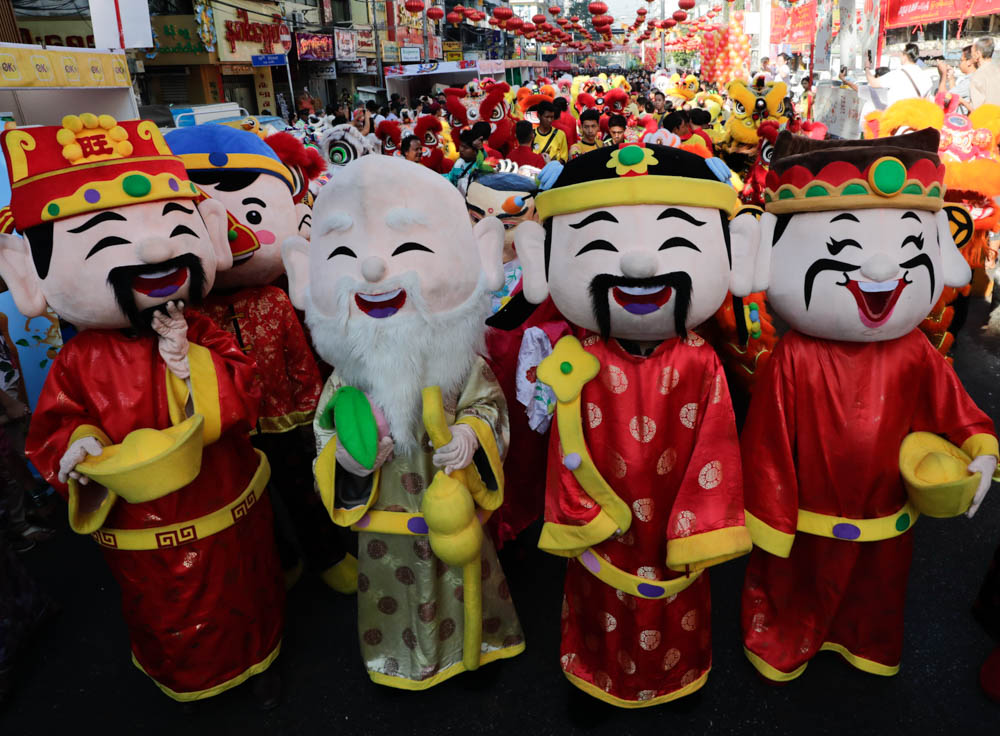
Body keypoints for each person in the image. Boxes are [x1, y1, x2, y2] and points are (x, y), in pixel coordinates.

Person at [0, 114, 284, 706]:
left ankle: (257, 653)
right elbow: (58, 421)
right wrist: (77, 445)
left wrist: (191, 363)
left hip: (224, 500)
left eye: (176, 228)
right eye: (108, 241)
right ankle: (186, 675)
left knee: (245, 589)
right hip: (143, 529)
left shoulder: (203, 326)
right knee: (167, 611)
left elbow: (245, 396)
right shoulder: (81, 356)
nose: (158, 249)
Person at [741, 129, 997, 683]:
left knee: (876, 589)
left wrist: (979, 448)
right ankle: (791, 636)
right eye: (842, 247)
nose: (881, 270)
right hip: (809, 515)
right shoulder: (794, 357)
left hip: (885, 509)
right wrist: (770, 518)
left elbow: (957, 410)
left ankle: (864, 644)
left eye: (909, 247)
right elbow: (767, 445)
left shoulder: (913, 352)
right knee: (799, 581)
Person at [513, 143, 759, 707]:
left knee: (675, 591)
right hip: (605, 517)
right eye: (600, 244)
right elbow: (556, 438)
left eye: (675, 242)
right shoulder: (573, 353)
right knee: (601, 587)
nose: (641, 266)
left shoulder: (699, 358)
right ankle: (596, 674)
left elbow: (715, 447)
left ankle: (679, 675)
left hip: (674, 512)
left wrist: (697, 524)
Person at [283, 155, 524, 690]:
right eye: (345, 253)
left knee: (465, 581)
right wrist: (345, 458)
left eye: (408, 249)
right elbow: (329, 430)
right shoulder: (347, 375)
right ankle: (400, 661)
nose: (371, 271)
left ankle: (475, 649)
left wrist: (470, 435)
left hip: (453, 510)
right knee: (393, 589)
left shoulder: (462, 360)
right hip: (386, 526)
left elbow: (489, 408)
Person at [165, 125, 358, 595]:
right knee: (251, 502)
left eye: (251, 213)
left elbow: (300, 358)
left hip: (285, 416)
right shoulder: (187, 314)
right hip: (225, 425)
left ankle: (326, 553)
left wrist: (315, 410)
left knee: (303, 492)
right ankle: (280, 559)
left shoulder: (275, 300)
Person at [865, 42, 932, 106]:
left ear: (905, 56)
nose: (900, 56)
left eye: (901, 53)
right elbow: (927, 102)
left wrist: (867, 67)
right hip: (916, 116)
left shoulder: (897, 75)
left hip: (897, 116)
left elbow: (872, 82)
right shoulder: (926, 78)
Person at [970, 36, 1000, 108]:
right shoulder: (997, 70)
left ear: (978, 54)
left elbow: (977, 107)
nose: (971, 56)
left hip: (987, 117)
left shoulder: (978, 75)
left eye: (972, 53)